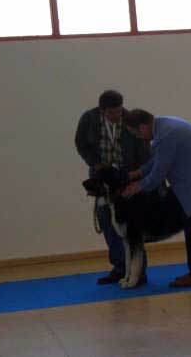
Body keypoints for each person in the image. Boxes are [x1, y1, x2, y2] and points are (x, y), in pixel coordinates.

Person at [122, 109, 191, 288]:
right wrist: (139, 172)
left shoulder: (165, 136)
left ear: (142, 128)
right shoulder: (165, 125)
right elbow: (159, 159)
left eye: (135, 133)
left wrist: (137, 187)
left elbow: (159, 173)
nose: (138, 137)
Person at [75, 90, 151, 285]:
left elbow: (144, 150)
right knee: (107, 222)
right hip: (102, 177)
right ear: (102, 110)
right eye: (112, 113)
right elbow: (81, 144)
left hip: (127, 177)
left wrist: (139, 178)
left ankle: (138, 271)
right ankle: (119, 267)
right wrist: (93, 162)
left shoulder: (130, 119)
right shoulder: (89, 119)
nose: (117, 116)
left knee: (133, 227)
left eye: (119, 111)